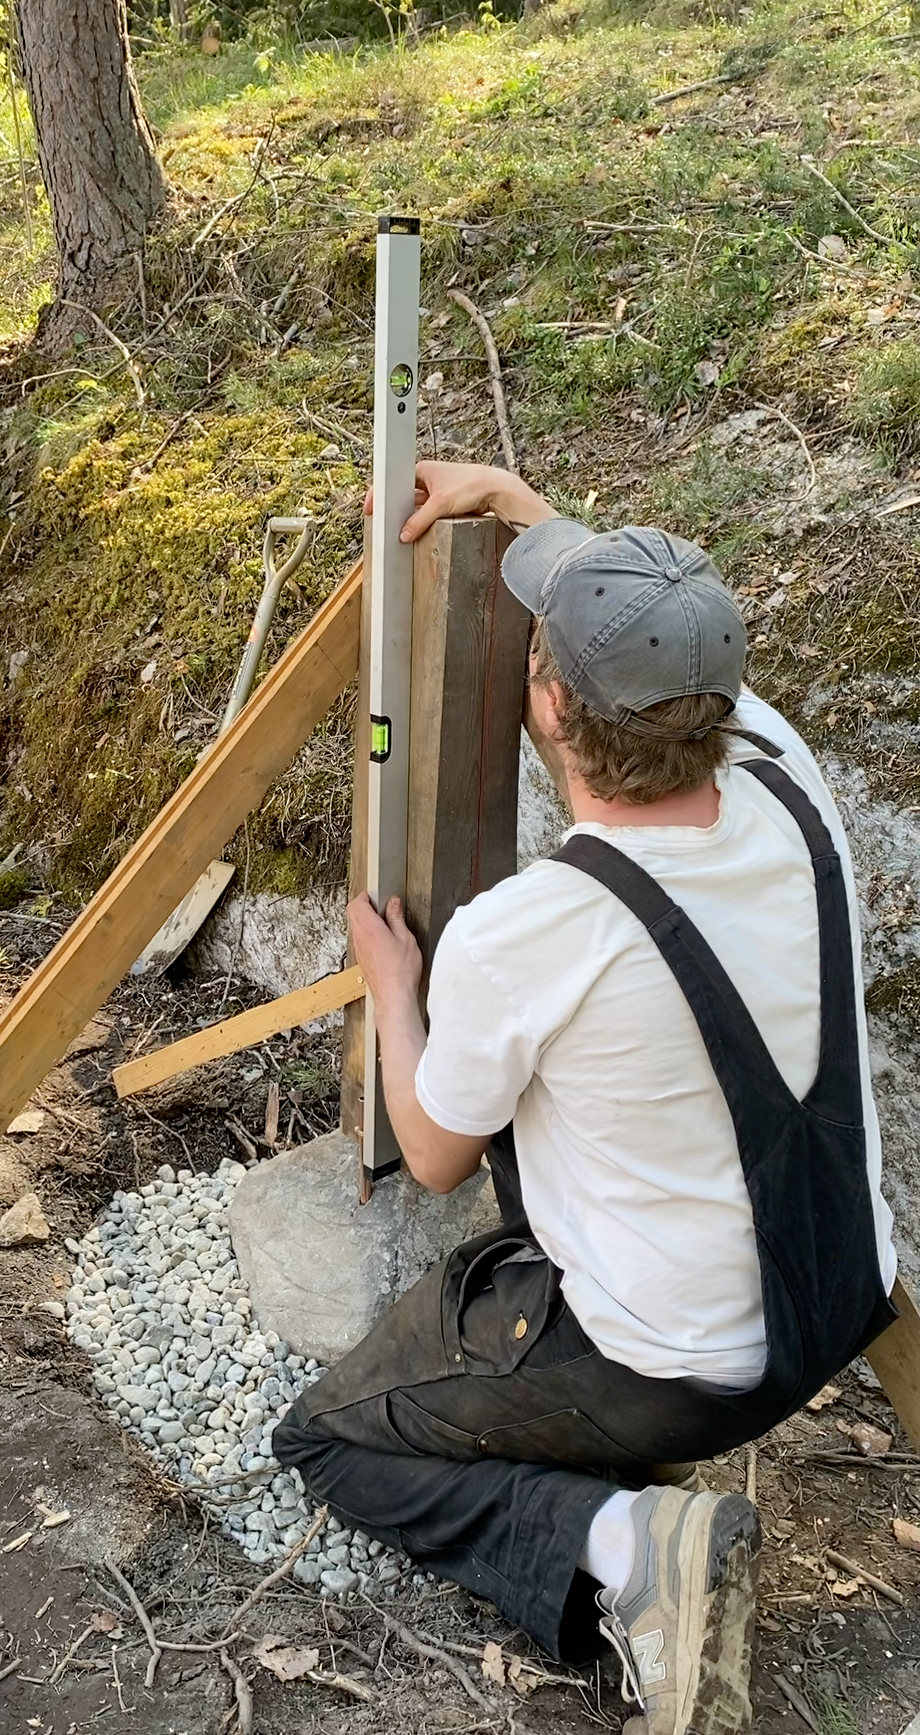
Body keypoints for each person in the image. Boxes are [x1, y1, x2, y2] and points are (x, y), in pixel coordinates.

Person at [274, 460, 897, 1735]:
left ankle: (629, 1546)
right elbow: (643, 623)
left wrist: (396, 990)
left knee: (328, 1439)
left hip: (677, 1370)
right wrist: (513, 499)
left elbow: (435, 1154)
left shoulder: (541, 926)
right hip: (836, 1294)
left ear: (549, 708)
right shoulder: (787, 775)